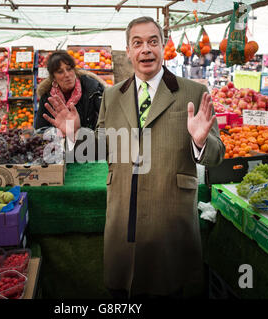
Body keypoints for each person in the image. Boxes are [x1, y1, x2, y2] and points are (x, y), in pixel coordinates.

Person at [42, 16, 225, 299]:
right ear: (128, 51)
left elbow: (217, 155)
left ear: (163, 46)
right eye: (137, 43)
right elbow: (101, 148)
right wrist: (77, 135)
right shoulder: (113, 95)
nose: (146, 49)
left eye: (153, 41)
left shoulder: (193, 92)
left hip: (170, 216)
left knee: (172, 288)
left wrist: (200, 141)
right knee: (124, 289)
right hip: (123, 214)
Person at [35, 50, 106, 131]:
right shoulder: (47, 98)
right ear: (53, 77)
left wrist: (78, 131)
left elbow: (107, 123)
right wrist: (55, 133)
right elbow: (40, 130)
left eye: (69, 69)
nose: (67, 75)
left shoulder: (92, 90)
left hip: (90, 142)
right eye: (60, 72)